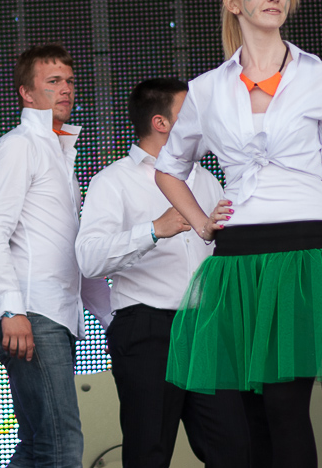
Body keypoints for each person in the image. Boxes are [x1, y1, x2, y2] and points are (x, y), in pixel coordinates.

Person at [153, 0, 322, 468]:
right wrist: (202, 223)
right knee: (248, 413)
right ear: (234, 2)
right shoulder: (207, 88)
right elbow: (168, 168)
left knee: (285, 406)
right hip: (236, 259)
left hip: (305, 254)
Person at [76, 77, 249, 468]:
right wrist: (153, 230)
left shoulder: (209, 180)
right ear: (161, 123)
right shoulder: (113, 180)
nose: (205, 121)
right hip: (147, 328)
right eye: (193, 113)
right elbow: (88, 258)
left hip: (208, 328)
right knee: (148, 452)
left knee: (235, 449)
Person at [0, 43, 112, 468]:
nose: (66, 89)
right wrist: (12, 309)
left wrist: (113, 319)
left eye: (69, 81)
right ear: (27, 93)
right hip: (32, 313)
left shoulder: (60, 153)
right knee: (61, 445)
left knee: (37, 446)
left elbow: (71, 252)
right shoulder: (19, 146)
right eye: (53, 81)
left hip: (52, 314)